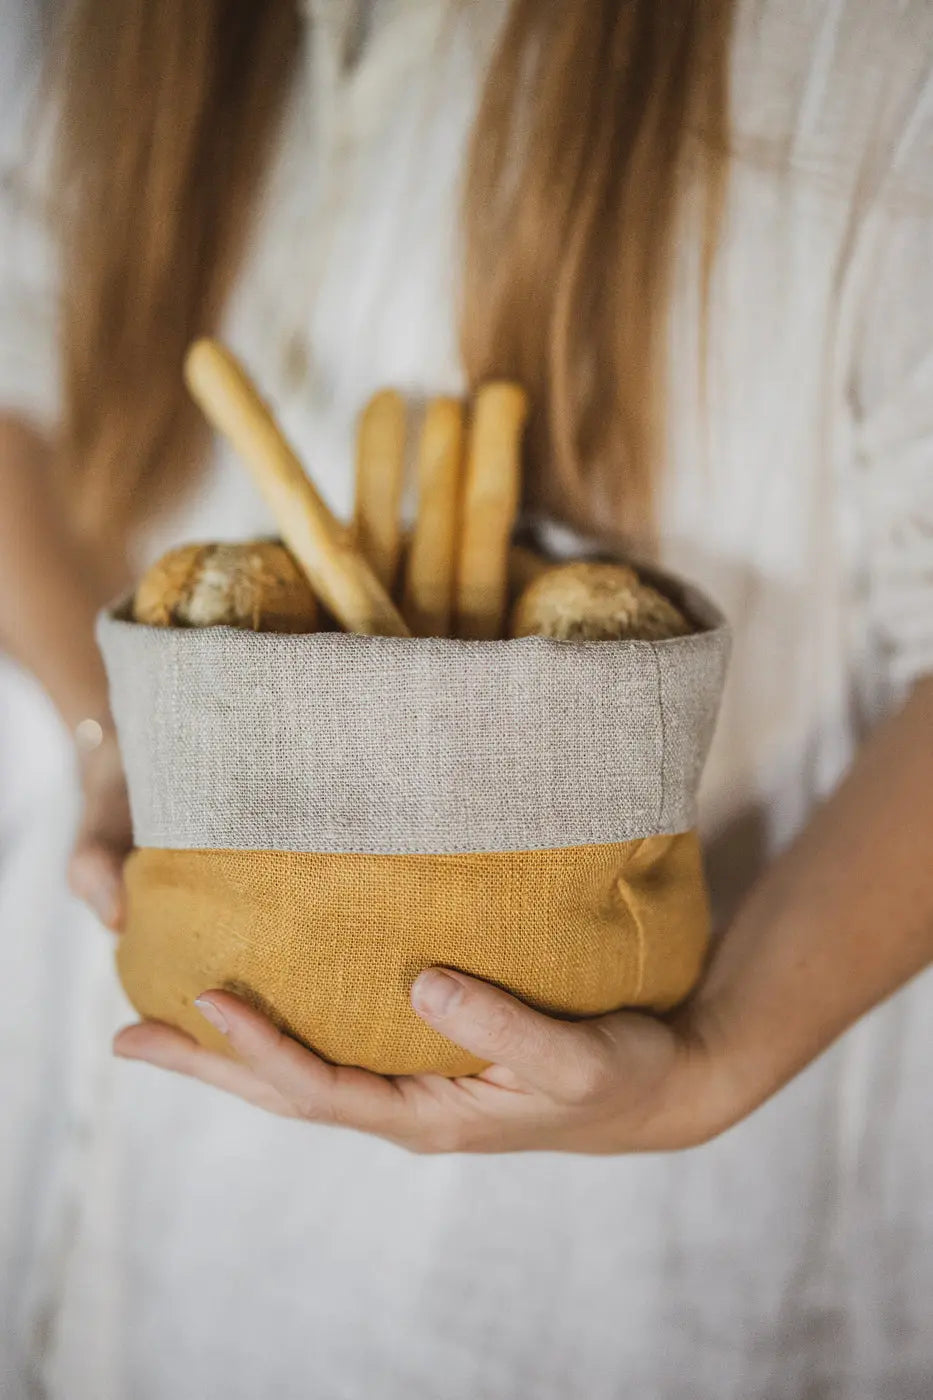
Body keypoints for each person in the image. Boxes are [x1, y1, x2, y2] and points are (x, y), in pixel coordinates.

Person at [1, 0, 931, 1395]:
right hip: (114, 1115)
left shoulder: (859, 51)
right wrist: (110, 738)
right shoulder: (119, 31)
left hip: (601, 1253)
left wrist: (714, 1062)